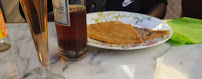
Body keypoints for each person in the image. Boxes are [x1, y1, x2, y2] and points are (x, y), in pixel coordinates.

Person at [19, 0, 167, 20]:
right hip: (70, 52)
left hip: (132, 56)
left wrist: (142, 25)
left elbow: (160, 4)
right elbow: (29, 11)